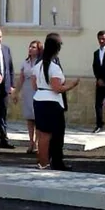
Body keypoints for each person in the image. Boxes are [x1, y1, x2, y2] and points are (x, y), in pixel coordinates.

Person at [32, 32, 79, 170]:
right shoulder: (54, 67)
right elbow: (57, 88)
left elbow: (34, 85)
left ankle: (43, 163)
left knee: (42, 134)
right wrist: (72, 84)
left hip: (39, 99)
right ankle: (51, 162)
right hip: (52, 102)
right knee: (53, 135)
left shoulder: (38, 65)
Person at [0, 27, 15, 149]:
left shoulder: (6, 49)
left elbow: (10, 68)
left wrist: (12, 85)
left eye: (0, 37)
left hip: (4, 87)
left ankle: (4, 139)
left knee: (3, 114)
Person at [17, 39, 43, 155]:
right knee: (29, 118)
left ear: (39, 50)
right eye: (30, 47)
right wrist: (16, 92)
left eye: (34, 47)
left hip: (37, 90)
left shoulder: (41, 62)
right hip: (27, 90)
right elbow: (21, 78)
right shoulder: (26, 62)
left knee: (37, 117)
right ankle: (31, 141)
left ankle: (37, 142)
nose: (31, 49)